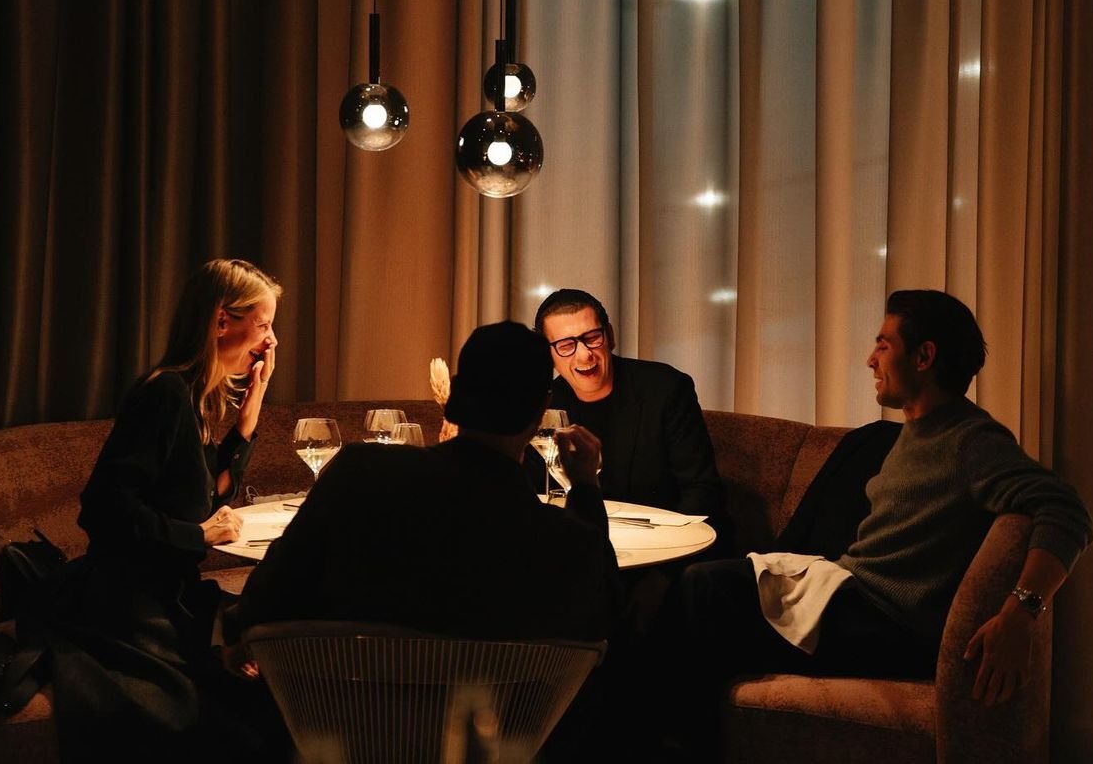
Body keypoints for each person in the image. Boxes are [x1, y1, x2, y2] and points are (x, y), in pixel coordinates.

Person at [677, 290, 1093, 752]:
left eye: (883, 345)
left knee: (704, 591)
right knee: (689, 608)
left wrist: (1019, 615)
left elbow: (1067, 510)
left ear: (924, 357)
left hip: (888, 622)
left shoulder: (973, 440)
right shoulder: (916, 432)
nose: (870, 360)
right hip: (854, 599)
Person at [225, 319, 619, 648]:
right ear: (540, 412)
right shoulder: (559, 538)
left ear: (455, 397)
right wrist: (584, 486)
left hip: (343, 720)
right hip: (497, 732)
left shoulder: (358, 473)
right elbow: (599, 620)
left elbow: (264, 600)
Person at [43, 258, 284, 759]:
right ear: (222, 321)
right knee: (239, 717)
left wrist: (249, 414)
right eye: (263, 324)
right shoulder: (165, 394)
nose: (271, 341)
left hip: (166, 594)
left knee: (266, 670)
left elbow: (208, 495)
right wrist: (198, 537)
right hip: (128, 604)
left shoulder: (193, 396)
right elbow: (103, 511)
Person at [532, 288, 727, 530]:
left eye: (592, 337)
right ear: (548, 353)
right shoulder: (543, 404)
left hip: (667, 544)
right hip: (582, 545)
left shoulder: (666, 388)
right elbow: (533, 494)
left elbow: (701, 491)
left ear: (610, 336)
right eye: (566, 345)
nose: (584, 355)